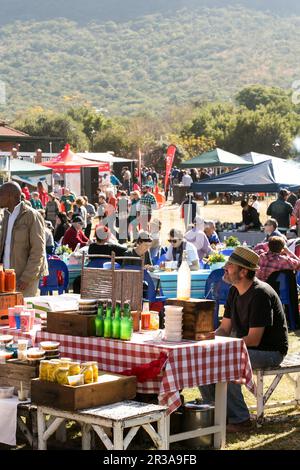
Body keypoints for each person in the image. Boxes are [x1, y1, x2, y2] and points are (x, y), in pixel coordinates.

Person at [199, 246, 288, 432]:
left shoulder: (260, 293)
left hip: (270, 351)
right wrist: (206, 339)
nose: (225, 268)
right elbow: (225, 328)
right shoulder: (234, 291)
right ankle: (215, 414)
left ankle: (241, 420)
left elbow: (254, 339)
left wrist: (224, 346)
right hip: (244, 347)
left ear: (244, 271)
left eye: (230, 266)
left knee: (228, 361)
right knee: (202, 360)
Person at [0, 181, 48, 296]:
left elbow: (38, 250)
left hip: (25, 280)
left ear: (10, 196)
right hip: (7, 278)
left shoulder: (32, 216)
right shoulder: (5, 216)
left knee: (23, 312)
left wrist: (27, 277)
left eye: (0, 194)